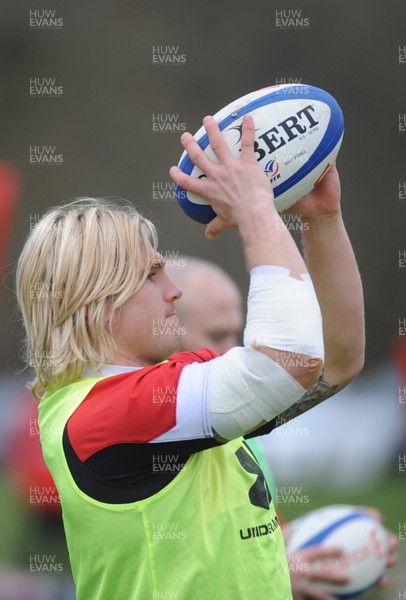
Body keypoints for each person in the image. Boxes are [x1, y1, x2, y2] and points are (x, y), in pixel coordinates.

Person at [16, 115, 364, 599]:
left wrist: (321, 220)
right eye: (153, 274)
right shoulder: (104, 414)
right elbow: (290, 362)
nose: (174, 291)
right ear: (98, 297)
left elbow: (335, 361)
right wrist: (255, 207)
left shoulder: (158, 398)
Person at [166, 256, 398, 600]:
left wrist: (324, 539)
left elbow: (341, 362)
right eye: (217, 335)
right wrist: (272, 574)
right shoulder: (153, 432)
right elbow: (160, 572)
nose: (233, 351)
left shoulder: (241, 430)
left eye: (236, 333)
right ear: (164, 335)